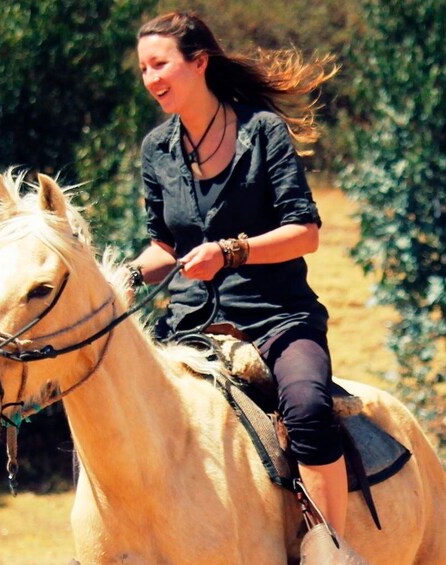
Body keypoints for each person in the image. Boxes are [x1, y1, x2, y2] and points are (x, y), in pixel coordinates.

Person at [128, 11, 348, 538]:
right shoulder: (156, 149)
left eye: (160, 65)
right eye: (143, 69)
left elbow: (305, 232)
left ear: (198, 62)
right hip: (189, 324)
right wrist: (125, 277)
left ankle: (331, 551)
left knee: (309, 410)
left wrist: (228, 253)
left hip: (278, 319)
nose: (151, 79)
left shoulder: (262, 131)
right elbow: (164, 245)